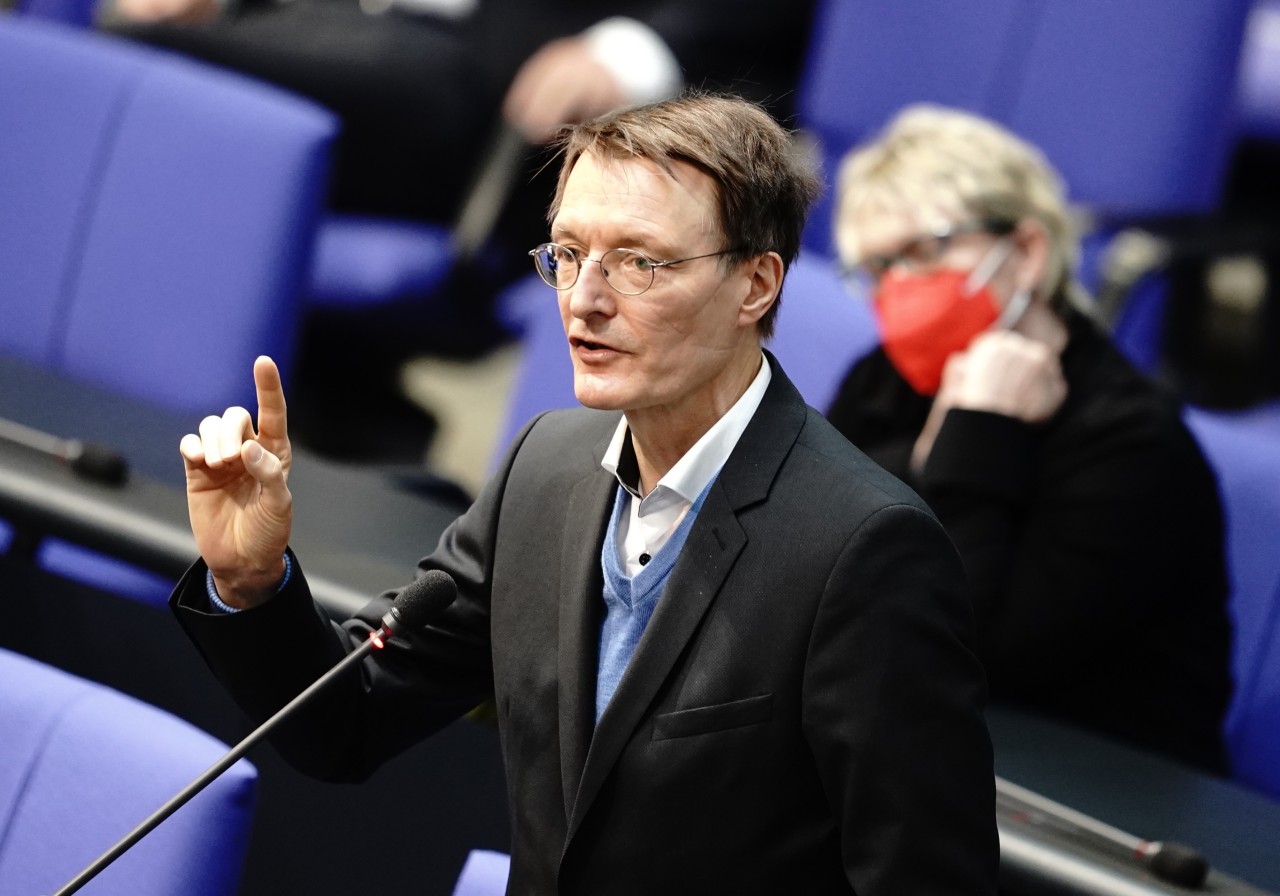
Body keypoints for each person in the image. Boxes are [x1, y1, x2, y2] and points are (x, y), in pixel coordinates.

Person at [168, 93, 998, 893]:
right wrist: (251, 582)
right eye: (567, 255)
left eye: (639, 262)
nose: (584, 301)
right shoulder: (547, 471)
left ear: (756, 285)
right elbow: (343, 725)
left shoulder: (864, 549)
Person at [825, 104, 1234, 774]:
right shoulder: (883, 381)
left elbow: (968, 649)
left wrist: (977, 437)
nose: (897, 289)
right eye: (877, 269)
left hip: (1098, 787)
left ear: (1025, 252)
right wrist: (928, 454)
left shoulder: (1132, 439)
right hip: (918, 743)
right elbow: (804, 539)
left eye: (924, 253)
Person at [105, 0, 814, 256]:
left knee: (131, 65)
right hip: (346, 26)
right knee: (125, 62)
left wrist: (627, 54)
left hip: (494, 90)